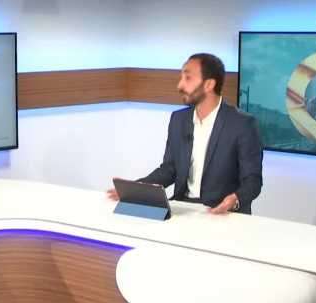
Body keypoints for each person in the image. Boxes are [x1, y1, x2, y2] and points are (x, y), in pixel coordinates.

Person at [108, 53, 263, 214]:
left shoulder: (242, 124)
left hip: (222, 213)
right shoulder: (179, 119)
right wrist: (136, 189)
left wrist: (234, 200)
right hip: (183, 208)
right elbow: (169, 170)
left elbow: (252, 181)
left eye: (188, 78)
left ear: (209, 84)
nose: (180, 85)